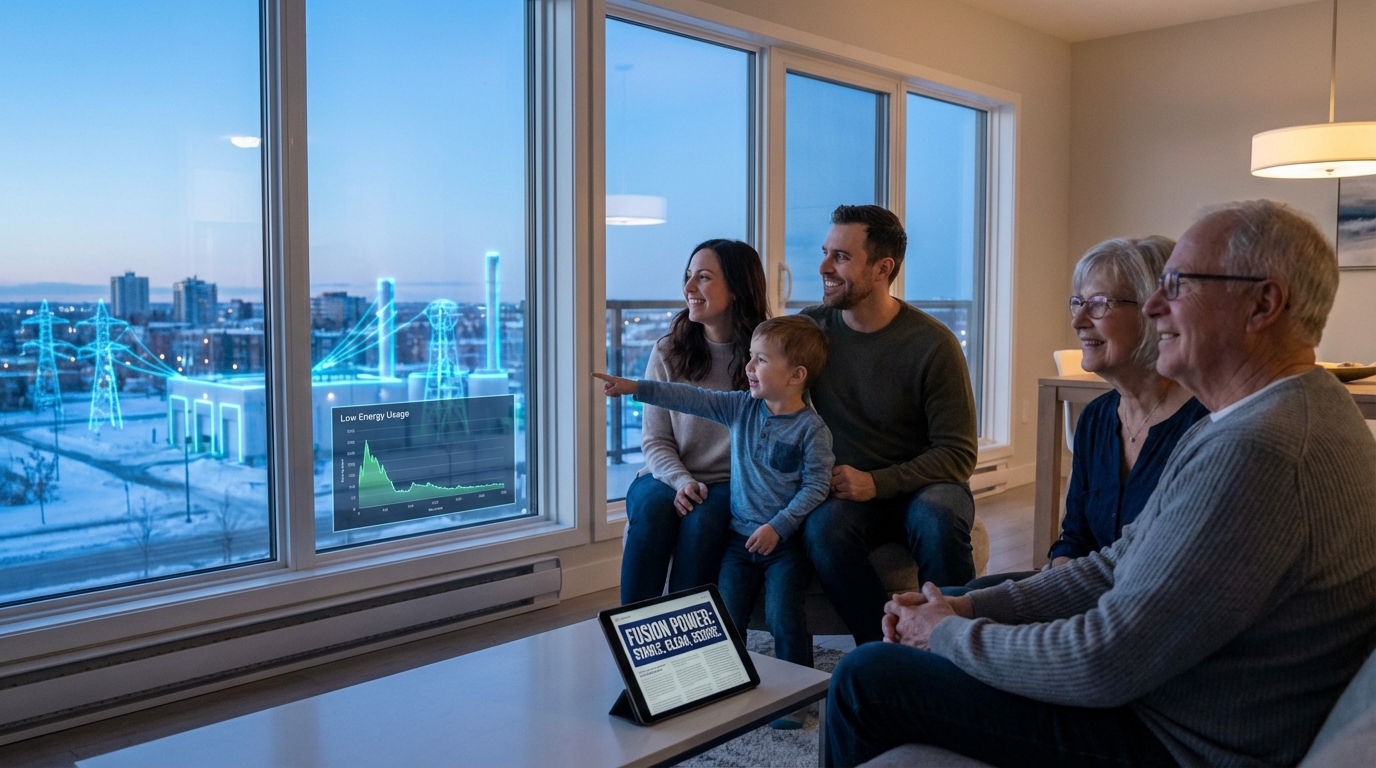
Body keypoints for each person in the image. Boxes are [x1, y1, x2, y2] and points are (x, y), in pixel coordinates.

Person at [825, 199, 1376, 767]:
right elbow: (1114, 563)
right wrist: (965, 609)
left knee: (869, 676)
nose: (1155, 307)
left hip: (1179, 740)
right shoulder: (1268, 415)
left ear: (1263, 304)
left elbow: (1104, 661)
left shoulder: (1258, 449)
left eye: (1179, 285)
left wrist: (944, 635)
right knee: (930, 625)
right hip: (1166, 703)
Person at [596, 315, 833, 729]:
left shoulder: (812, 430)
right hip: (739, 544)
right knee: (727, 613)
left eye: (761, 360)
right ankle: (722, 683)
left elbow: (817, 486)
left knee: (783, 616)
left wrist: (779, 526)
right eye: (751, 357)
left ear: (796, 375)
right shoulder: (741, 408)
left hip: (783, 546)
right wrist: (635, 387)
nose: (749, 367)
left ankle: (795, 700)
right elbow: (689, 398)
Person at [952, 236, 1208, 595]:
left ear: (1155, 311)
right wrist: (1055, 585)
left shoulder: (1207, 425)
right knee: (950, 597)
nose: (1078, 321)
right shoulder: (1096, 418)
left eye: (1099, 304)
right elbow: (1075, 537)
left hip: (1145, 606)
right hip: (1081, 591)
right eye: (1077, 303)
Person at [799, 204, 978, 645]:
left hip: (925, 486)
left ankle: (955, 648)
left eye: (841, 257)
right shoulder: (810, 331)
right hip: (849, 494)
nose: (824, 267)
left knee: (937, 517)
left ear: (883, 269)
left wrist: (877, 482)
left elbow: (958, 454)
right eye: (825, 253)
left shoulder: (933, 344)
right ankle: (881, 650)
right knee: (823, 530)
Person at [619, 239, 770, 605]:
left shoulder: (768, 354)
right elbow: (655, 440)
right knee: (653, 509)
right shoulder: (668, 350)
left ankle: (688, 630)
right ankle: (631, 626)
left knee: (703, 520)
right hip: (666, 474)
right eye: (688, 276)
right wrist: (681, 480)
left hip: (731, 483)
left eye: (703, 277)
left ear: (736, 288)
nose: (688, 288)